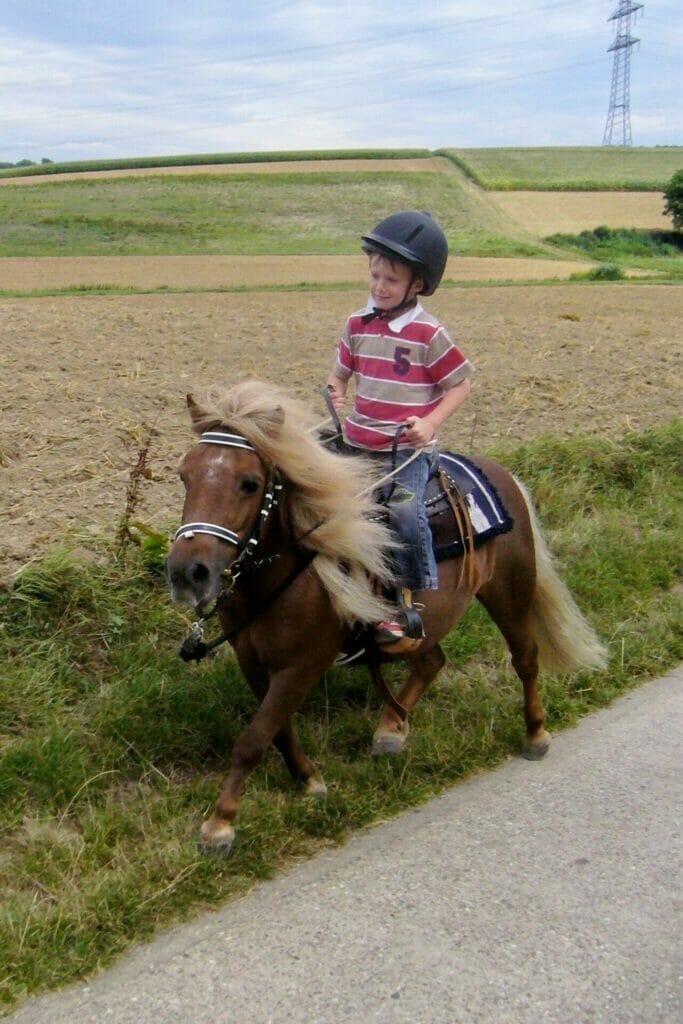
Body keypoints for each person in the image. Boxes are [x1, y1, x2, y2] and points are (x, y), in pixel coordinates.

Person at [326, 210, 473, 650]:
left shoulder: (429, 333)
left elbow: (460, 384)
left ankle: (405, 605)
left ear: (418, 284)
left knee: (404, 514)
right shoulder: (357, 323)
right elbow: (340, 372)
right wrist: (335, 389)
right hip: (356, 443)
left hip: (404, 453)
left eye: (391, 280)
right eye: (375, 276)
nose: (379, 286)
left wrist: (429, 423)